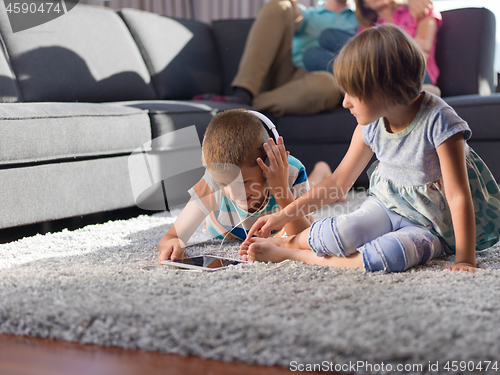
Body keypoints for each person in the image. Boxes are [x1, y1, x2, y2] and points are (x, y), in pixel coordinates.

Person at [239, 24, 500, 273]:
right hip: (385, 208)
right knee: (340, 233)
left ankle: (290, 253)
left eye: (351, 93)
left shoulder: (440, 121)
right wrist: (282, 217)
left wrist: (465, 259)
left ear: (384, 90)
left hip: (431, 227)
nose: (344, 103)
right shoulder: (371, 126)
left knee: (389, 256)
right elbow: (338, 183)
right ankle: (284, 243)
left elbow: (458, 195)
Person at [194, 0, 433, 117]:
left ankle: (239, 107)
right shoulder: (307, 13)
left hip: (312, 83)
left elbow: (388, 36)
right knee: (280, 5)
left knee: (328, 84)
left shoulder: (361, 21)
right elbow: (287, 14)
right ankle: (243, 92)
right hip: (281, 72)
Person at [158, 109, 322, 263]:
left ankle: (321, 172)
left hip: (284, 209)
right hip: (223, 229)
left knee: (313, 199)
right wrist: (173, 244)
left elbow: (305, 239)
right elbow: (171, 237)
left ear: (267, 164)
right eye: (223, 184)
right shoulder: (212, 182)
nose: (234, 194)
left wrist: (281, 190)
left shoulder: (290, 172)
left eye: (243, 183)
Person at [354, 0, 442, 95]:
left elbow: (422, 51)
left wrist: (383, 56)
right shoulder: (365, 30)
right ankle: (411, 94)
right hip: (382, 75)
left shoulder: (420, 9)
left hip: (417, 72)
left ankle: (405, 93)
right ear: (363, 3)